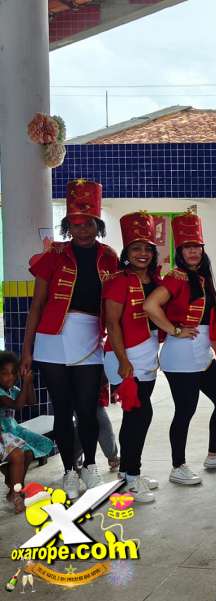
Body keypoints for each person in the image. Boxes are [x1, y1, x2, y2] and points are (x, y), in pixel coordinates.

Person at [21, 179, 119, 498]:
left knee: (88, 407)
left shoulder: (109, 257)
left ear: (97, 224)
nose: (83, 230)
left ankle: (90, 465)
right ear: (68, 226)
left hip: (90, 336)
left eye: (88, 223)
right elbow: (37, 306)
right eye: (76, 224)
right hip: (52, 338)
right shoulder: (54, 255)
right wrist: (27, 350)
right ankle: (68, 472)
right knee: (62, 408)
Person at [144, 210, 216, 486]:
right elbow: (150, 305)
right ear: (180, 252)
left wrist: (215, 344)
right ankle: (178, 466)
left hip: (202, 352)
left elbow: (206, 317)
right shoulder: (176, 277)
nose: (193, 252)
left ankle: (214, 454)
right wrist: (174, 330)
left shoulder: (202, 277)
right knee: (185, 411)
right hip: (181, 355)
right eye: (187, 247)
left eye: (197, 247)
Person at [102, 212, 163, 502]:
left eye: (147, 248)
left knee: (135, 416)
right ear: (126, 252)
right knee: (140, 414)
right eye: (136, 248)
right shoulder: (118, 281)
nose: (142, 254)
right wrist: (123, 359)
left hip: (148, 354)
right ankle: (132, 478)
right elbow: (112, 323)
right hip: (124, 356)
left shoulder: (157, 280)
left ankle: (127, 472)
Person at [0, 352, 53, 513]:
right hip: (2, 434)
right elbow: (17, 405)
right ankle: (16, 494)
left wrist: (28, 383)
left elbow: (31, 401)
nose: (10, 377)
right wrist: (25, 384)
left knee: (29, 453)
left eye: (13, 373)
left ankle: (14, 487)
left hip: (12, 430)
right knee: (18, 455)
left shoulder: (12, 389)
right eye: (4, 373)